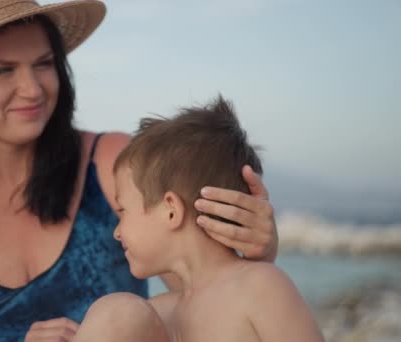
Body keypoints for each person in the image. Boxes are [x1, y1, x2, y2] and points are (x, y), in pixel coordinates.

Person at [0, 1, 279, 341]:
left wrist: (256, 258)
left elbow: (208, 300)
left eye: (43, 64)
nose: (32, 89)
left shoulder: (114, 161)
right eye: (1, 71)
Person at [72, 97, 323, 342]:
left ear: (171, 210)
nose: (117, 232)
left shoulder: (260, 287)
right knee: (115, 313)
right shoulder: (156, 313)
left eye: (123, 210)